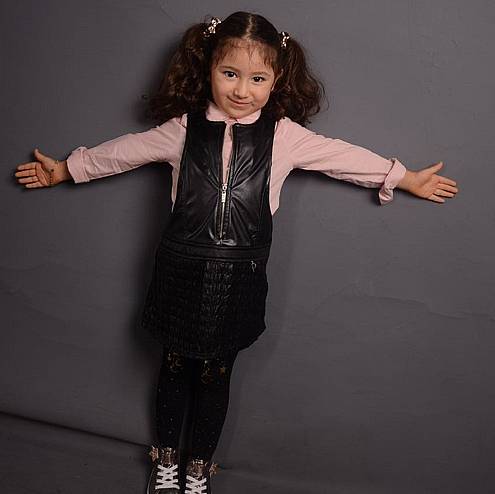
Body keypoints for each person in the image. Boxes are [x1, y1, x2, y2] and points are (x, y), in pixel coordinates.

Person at [14, 11, 458, 494]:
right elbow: (122, 152)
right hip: (180, 272)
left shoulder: (284, 137)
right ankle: (166, 462)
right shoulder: (182, 131)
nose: (242, 90)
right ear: (209, 68)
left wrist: (403, 177)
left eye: (257, 78)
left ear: (276, 79)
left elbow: (343, 156)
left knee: (216, 373)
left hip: (239, 279)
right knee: (174, 365)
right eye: (230, 74)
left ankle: (198, 467)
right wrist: (67, 169)